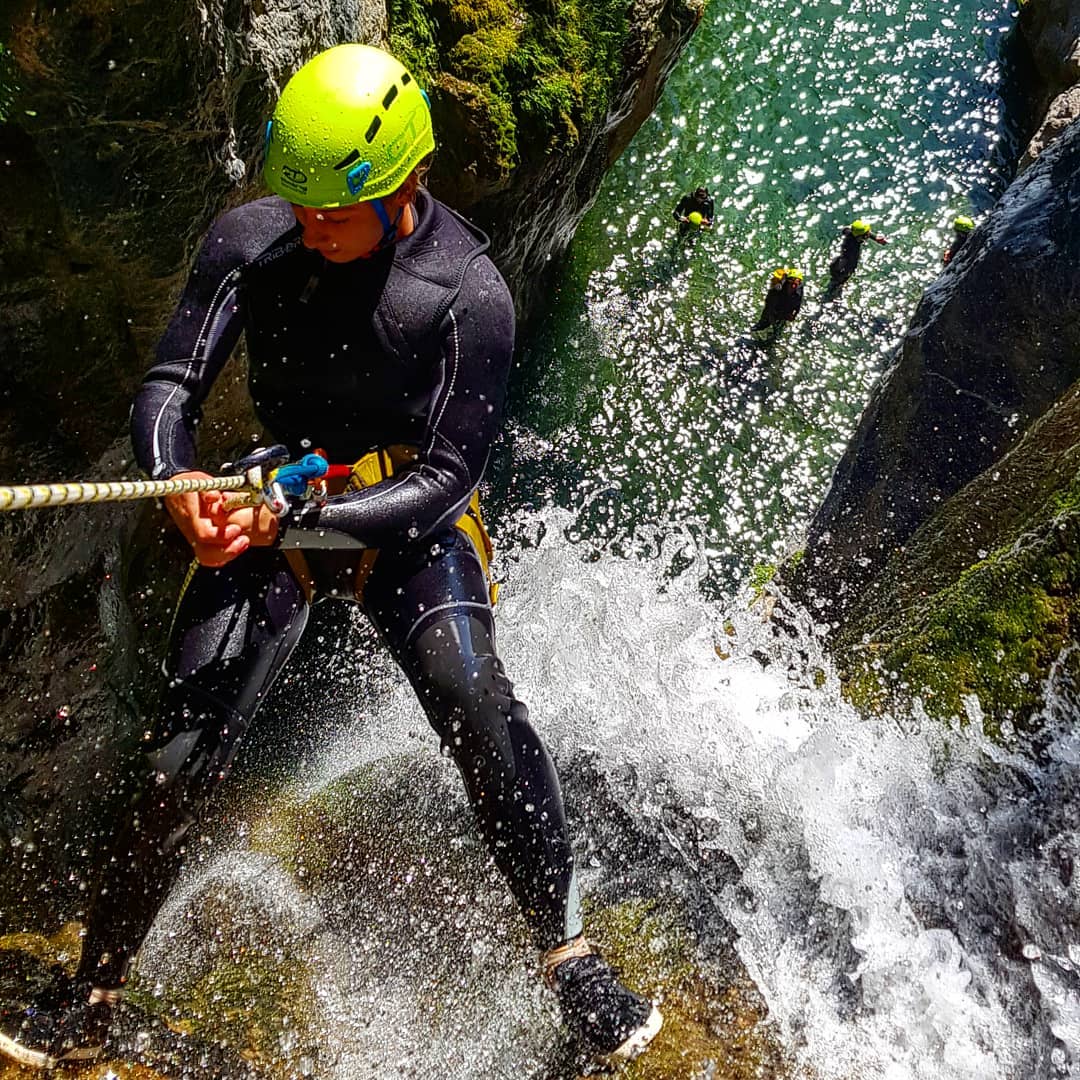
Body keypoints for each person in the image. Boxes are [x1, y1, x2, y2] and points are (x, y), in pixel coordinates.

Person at [0, 43, 662, 1070]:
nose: (311, 230)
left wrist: (291, 521)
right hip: (277, 487)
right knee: (181, 746)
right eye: (298, 207)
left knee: (471, 696)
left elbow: (444, 478)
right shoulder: (252, 242)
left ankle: (570, 958)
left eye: (333, 214)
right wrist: (182, 485)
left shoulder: (469, 293)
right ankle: (92, 991)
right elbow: (171, 385)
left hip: (406, 515)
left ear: (403, 187)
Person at [827, 218, 886, 291]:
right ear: (860, 237)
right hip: (845, 266)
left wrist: (875, 238)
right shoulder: (852, 247)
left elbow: (846, 229)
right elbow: (848, 262)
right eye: (867, 234)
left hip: (842, 261)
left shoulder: (851, 232)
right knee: (838, 282)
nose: (869, 234)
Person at [751, 266, 804, 337]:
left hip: (787, 307)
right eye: (791, 283)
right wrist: (771, 316)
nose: (793, 286)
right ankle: (760, 325)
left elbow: (798, 305)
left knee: (780, 324)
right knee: (765, 321)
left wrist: (793, 315)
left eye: (796, 284)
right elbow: (769, 304)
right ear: (788, 282)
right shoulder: (777, 289)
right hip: (776, 304)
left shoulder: (798, 292)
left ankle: (776, 332)